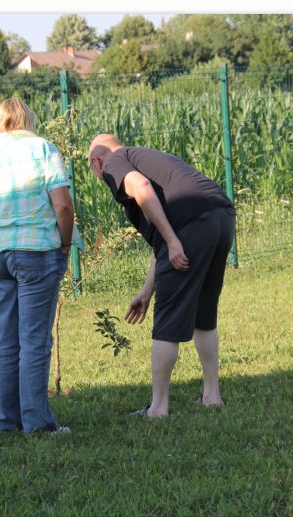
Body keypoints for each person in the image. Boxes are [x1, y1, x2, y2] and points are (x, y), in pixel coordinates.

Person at [87, 134, 236, 418]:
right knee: (204, 314)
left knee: (168, 319)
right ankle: (212, 396)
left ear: (96, 161)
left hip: (190, 226)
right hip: (221, 217)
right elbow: (161, 243)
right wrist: (146, 291)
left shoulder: (114, 162)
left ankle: (158, 408)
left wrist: (173, 240)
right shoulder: (146, 155)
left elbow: (141, 188)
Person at [0, 98, 81, 434]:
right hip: (37, 252)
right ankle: (38, 424)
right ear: (29, 120)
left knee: (4, 340)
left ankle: (5, 421)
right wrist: (64, 242)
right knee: (34, 340)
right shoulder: (42, 148)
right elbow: (63, 206)